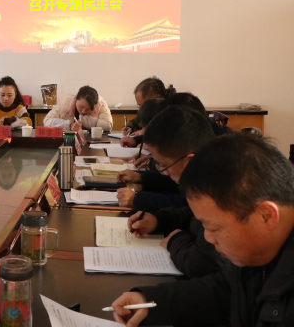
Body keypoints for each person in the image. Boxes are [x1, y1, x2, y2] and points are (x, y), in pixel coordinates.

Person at [110, 134, 294, 326]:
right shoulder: (257, 252)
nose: (208, 237)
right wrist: (151, 301)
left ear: (266, 215)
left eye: (214, 228)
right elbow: (225, 290)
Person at [125, 106, 228, 278]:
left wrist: (175, 240)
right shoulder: (206, 175)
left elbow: (202, 264)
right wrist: (159, 221)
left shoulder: (223, 189)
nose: (164, 173)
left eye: (164, 165)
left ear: (189, 161)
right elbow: (193, 216)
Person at [43, 85, 112, 132]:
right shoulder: (65, 101)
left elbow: (108, 125)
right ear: (76, 97)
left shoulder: (100, 104)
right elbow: (47, 121)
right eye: (81, 106)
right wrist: (69, 125)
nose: (83, 111)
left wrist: (83, 121)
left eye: (88, 109)